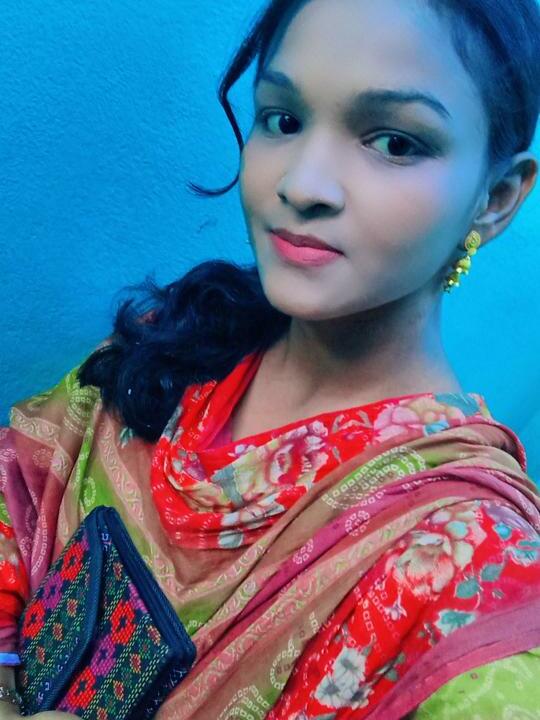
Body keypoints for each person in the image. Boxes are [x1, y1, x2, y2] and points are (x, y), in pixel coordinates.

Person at [1, 0, 539, 717]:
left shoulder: (472, 563)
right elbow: (17, 494)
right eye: (283, 120)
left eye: (395, 142)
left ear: (495, 199)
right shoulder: (179, 341)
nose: (302, 184)